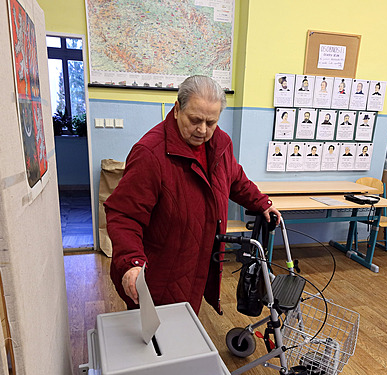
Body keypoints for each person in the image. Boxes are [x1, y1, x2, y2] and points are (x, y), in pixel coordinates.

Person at [104, 75, 281, 314]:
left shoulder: (220, 143)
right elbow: (124, 215)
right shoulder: (150, 154)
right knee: (156, 338)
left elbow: (235, 179)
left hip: (197, 260)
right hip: (158, 271)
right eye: (195, 120)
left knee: (185, 328)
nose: (202, 130)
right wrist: (131, 263)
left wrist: (262, 203)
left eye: (211, 122)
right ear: (177, 109)